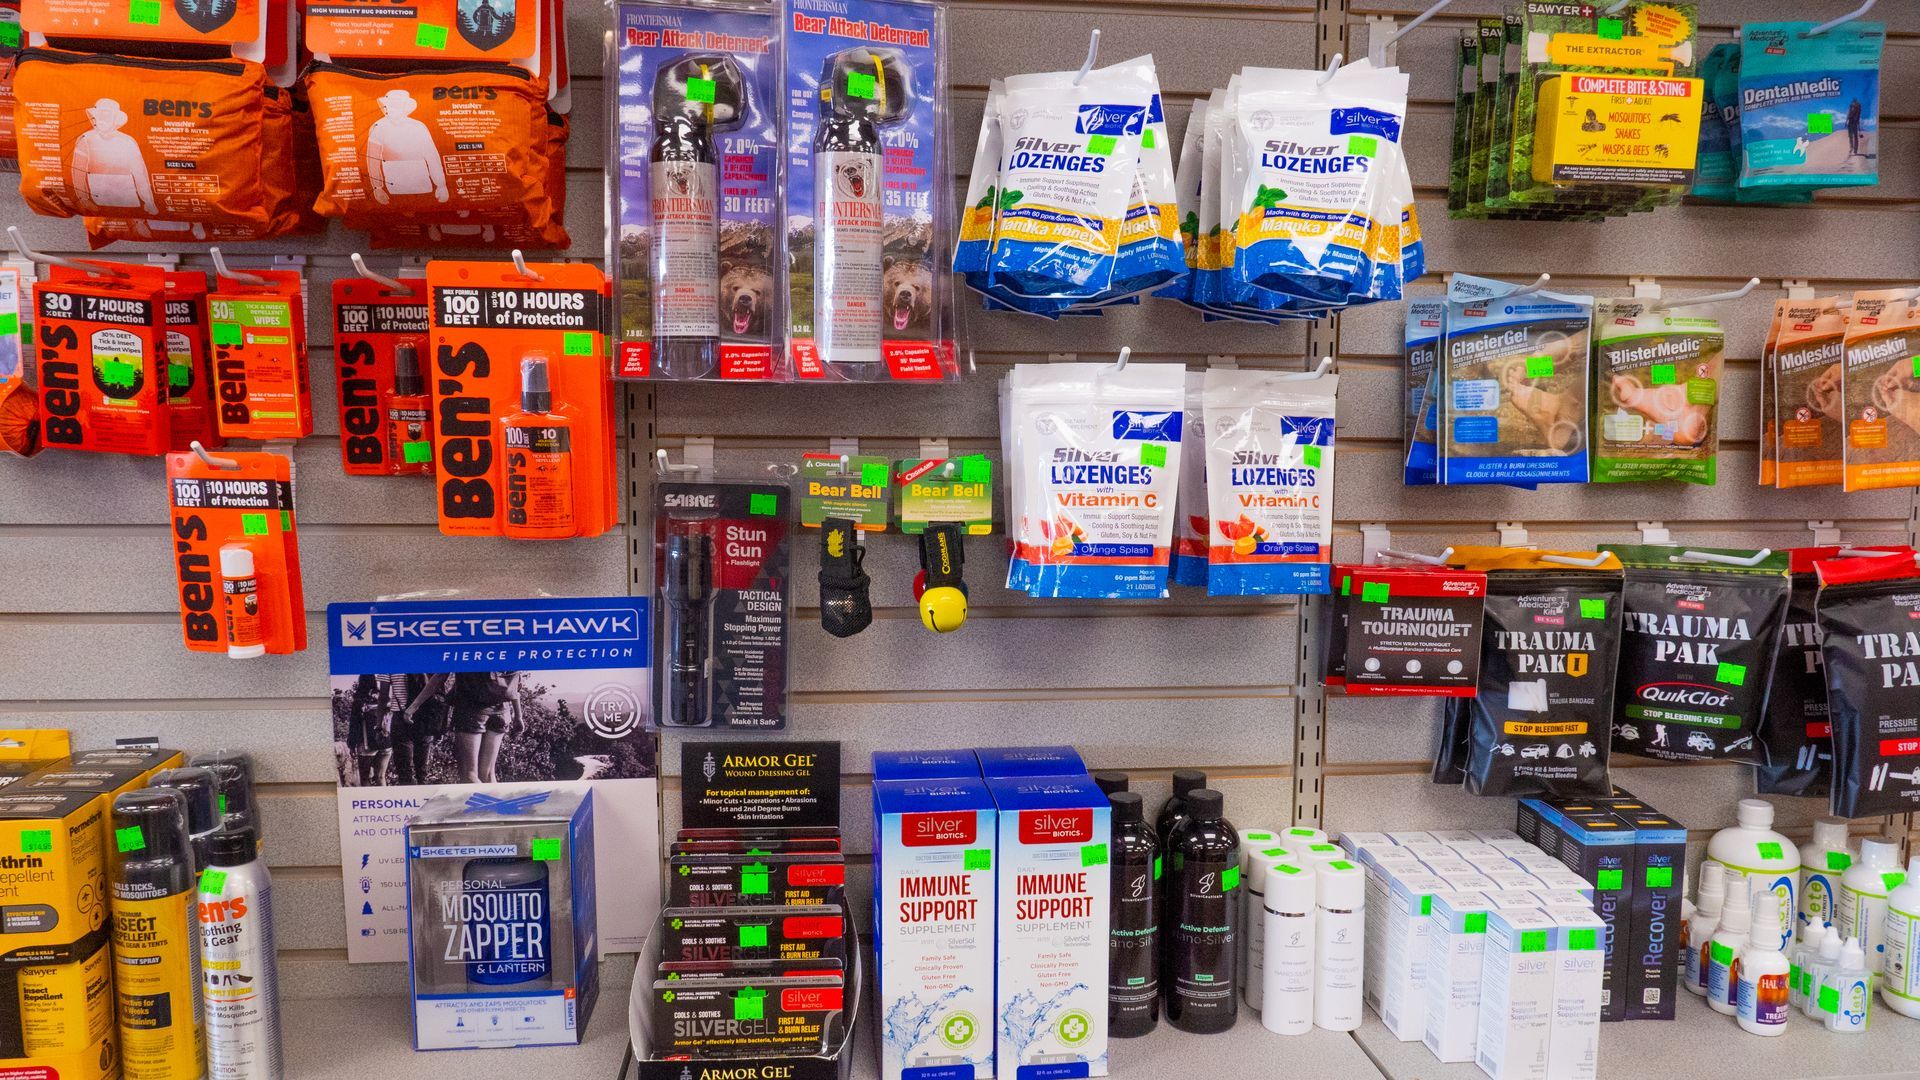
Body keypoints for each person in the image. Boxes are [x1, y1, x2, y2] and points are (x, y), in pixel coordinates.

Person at [71, 98, 156, 215]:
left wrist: (148, 200)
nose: (102, 120)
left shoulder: (127, 141)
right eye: (100, 115)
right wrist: (83, 198)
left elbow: (139, 173)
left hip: (129, 197)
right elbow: (78, 171)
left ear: (115, 119)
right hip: (98, 199)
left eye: (107, 116)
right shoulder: (85, 140)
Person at [365, 89, 448, 205]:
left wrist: (441, 185)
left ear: (405, 107)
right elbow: (372, 160)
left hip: (423, 186)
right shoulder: (378, 127)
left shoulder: (418, 127)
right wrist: (377, 188)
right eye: (389, 105)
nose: (391, 109)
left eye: (396, 105)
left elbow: (432, 157)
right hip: (394, 189)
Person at [449, 671, 524, 784]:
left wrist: (414, 706)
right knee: (488, 775)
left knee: (469, 775)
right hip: (502, 710)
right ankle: (497, 801)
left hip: (472, 708)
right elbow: (515, 684)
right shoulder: (509, 653)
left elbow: (440, 676)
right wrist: (518, 716)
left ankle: (485, 802)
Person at [390, 672, 452, 786]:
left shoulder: (393, 664)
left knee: (405, 773)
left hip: (401, 716)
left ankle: (410, 800)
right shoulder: (429, 663)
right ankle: (424, 800)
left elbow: (383, 696)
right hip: (425, 717)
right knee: (422, 772)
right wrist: (439, 727)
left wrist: (379, 725)